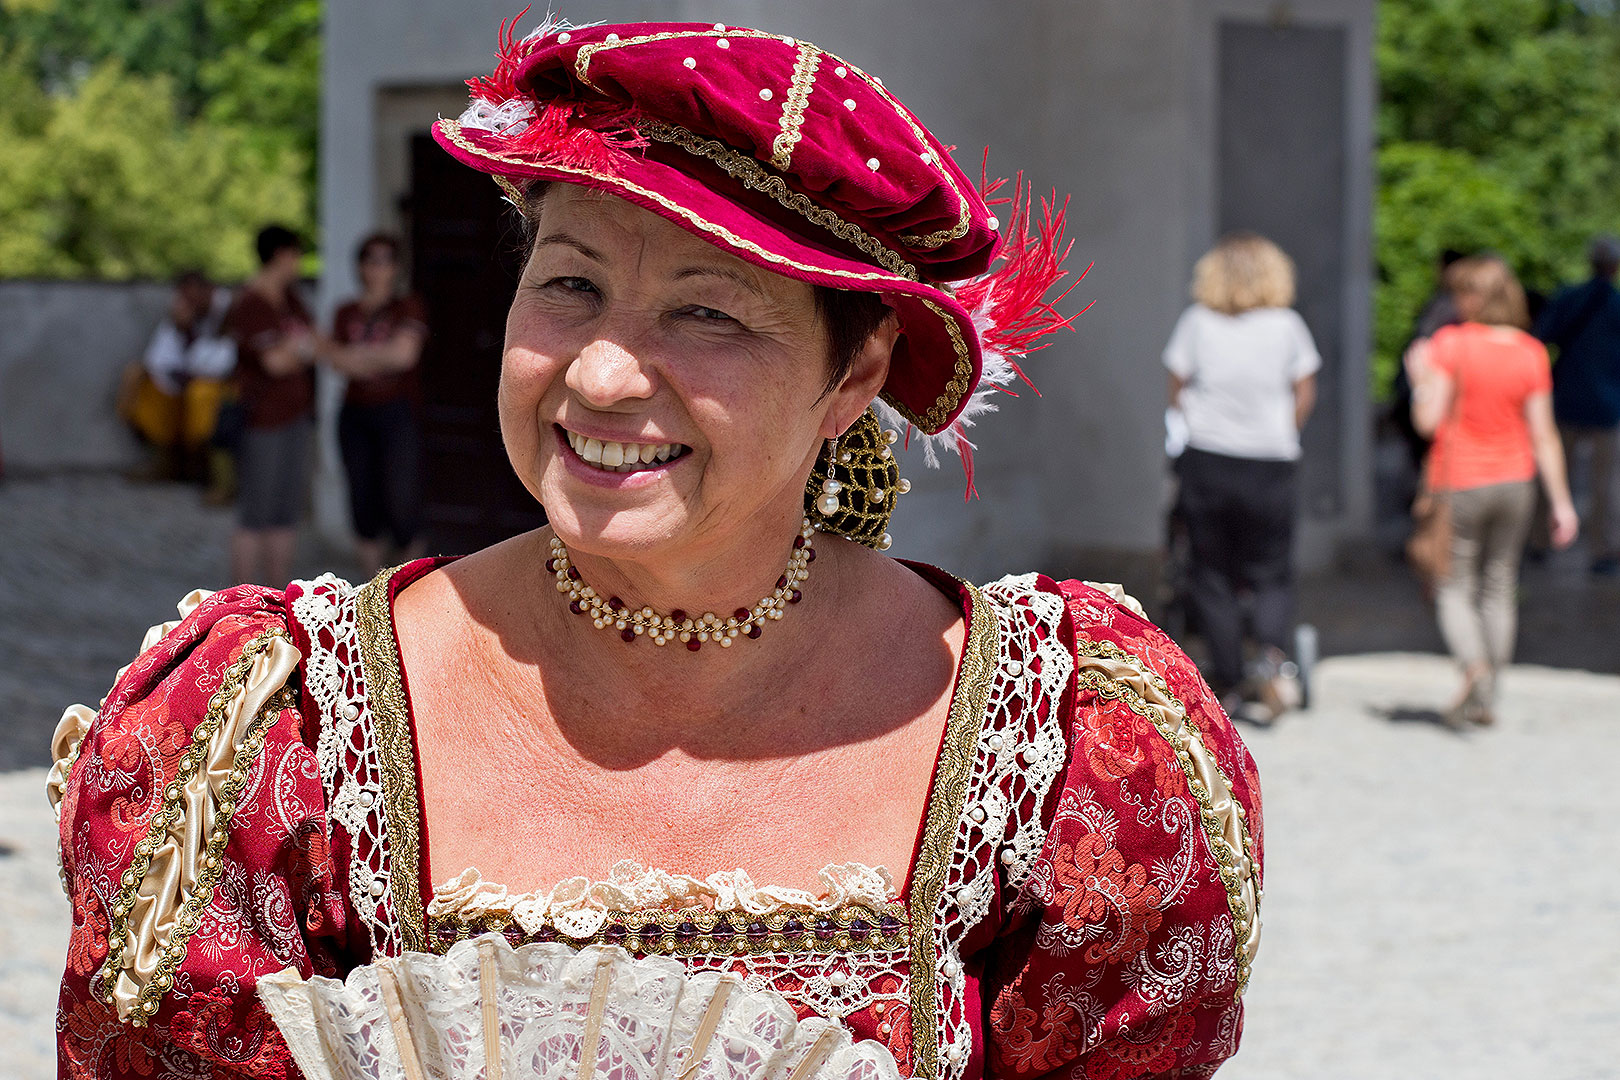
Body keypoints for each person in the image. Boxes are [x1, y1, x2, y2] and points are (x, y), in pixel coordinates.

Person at [49, 19, 1262, 1080]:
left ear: (858, 376)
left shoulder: (1062, 752)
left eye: (707, 311)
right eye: (568, 284)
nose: (603, 371)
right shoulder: (279, 736)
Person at [1407, 255, 1579, 726]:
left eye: (1461, 292)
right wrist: (1562, 503)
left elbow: (1426, 421)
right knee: (1500, 585)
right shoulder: (1530, 351)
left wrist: (1420, 376)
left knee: (1451, 583)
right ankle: (1487, 698)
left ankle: (1474, 666)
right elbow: (1543, 434)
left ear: (1475, 297)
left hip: (1460, 480)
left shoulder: (1450, 344)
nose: (1455, 301)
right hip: (1515, 482)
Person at [1163, 232, 1320, 720]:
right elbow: (1305, 391)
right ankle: (1274, 661)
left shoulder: (1197, 322)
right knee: (1271, 568)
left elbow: (1176, 388)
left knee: (1211, 573)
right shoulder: (1288, 326)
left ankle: (1227, 679)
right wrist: (1281, 432)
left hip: (1209, 458)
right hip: (1270, 460)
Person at [323, 232, 430, 575]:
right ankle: (370, 589)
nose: (378, 267)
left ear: (396, 267)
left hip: (396, 412)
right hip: (354, 414)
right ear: (360, 266)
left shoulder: (408, 306)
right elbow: (336, 360)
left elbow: (404, 355)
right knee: (362, 501)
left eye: (386, 259)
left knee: (402, 502)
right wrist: (372, 358)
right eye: (371, 258)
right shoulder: (345, 311)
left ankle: (407, 587)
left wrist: (356, 357)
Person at [223, 225, 317, 586]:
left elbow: (310, 342)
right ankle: (240, 601)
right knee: (255, 513)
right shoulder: (251, 303)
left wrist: (296, 349)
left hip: (295, 415)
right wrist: (300, 349)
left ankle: (277, 593)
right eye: (296, 254)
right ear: (281, 255)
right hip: (261, 420)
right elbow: (274, 362)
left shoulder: (290, 299)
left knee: (285, 511)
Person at [1533, 236, 1620, 574]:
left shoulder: (1570, 297)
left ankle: (1540, 540)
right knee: (1606, 484)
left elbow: (1544, 334)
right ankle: (1604, 550)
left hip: (1568, 399)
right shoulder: (1613, 304)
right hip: (1605, 406)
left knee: (1553, 475)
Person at [124, 271, 237, 487]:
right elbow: (157, 359)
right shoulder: (184, 314)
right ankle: (164, 460)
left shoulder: (230, 311)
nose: (189, 304)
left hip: (224, 385)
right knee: (140, 381)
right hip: (187, 381)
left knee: (201, 395)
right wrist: (181, 330)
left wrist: (189, 339)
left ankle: (213, 474)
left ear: (209, 292)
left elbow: (222, 363)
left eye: (194, 298)